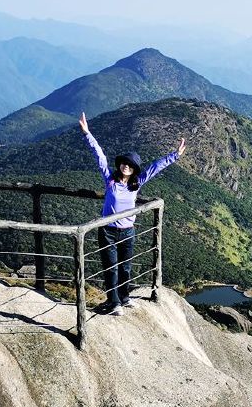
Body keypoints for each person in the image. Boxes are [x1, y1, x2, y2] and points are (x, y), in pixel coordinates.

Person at [79, 112, 186, 315]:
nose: (126, 166)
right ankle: (114, 303)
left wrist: (175, 155)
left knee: (125, 267)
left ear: (134, 169)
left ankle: (124, 298)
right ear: (120, 165)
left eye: (130, 165)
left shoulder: (136, 184)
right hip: (108, 231)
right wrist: (87, 133)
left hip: (128, 231)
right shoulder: (110, 180)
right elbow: (99, 155)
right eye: (123, 163)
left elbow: (155, 167)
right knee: (111, 268)